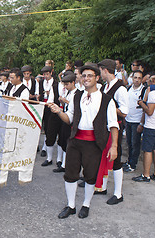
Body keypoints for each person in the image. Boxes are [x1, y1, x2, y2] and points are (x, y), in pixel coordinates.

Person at [49, 64, 118, 219]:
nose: (86, 78)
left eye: (90, 76)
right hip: (75, 140)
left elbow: (113, 125)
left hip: (94, 143)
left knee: (90, 176)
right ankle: (71, 205)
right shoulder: (77, 96)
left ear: (97, 78)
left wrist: (114, 147)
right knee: (70, 174)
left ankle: (86, 204)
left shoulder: (107, 100)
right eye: (84, 76)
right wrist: (59, 111)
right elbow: (69, 119)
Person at [98, 59, 129, 205]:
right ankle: (102, 187)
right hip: (105, 126)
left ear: (105, 70)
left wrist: (109, 107)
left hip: (115, 126)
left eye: (100, 71)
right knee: (104, 156)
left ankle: (118, 193)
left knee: (115, 159)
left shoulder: (120, 89)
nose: (100, 74)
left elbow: (124, 112)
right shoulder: (105, 86)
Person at [53, 73, 77, 173]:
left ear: (73, 83)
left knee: (68, 142)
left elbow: (74, 107)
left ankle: (66, 165)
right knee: (63, 140)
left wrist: (65, 101)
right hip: (65, 116)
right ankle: (63, 163)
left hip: (71, 120)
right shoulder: (69, 92)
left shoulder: (77, 93)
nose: (66, 87)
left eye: (67, 84)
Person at [124, 70, 145, 172]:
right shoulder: (128, 89)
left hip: (137, 121)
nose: (137, 80)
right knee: (129, 142)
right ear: (132, 78)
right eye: (135, 77)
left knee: (135, 143)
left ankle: (133, 164)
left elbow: (145, 108)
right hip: (128, 120)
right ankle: (129, 161)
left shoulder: (144, 90)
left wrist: (141, 123)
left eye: (139, 78)